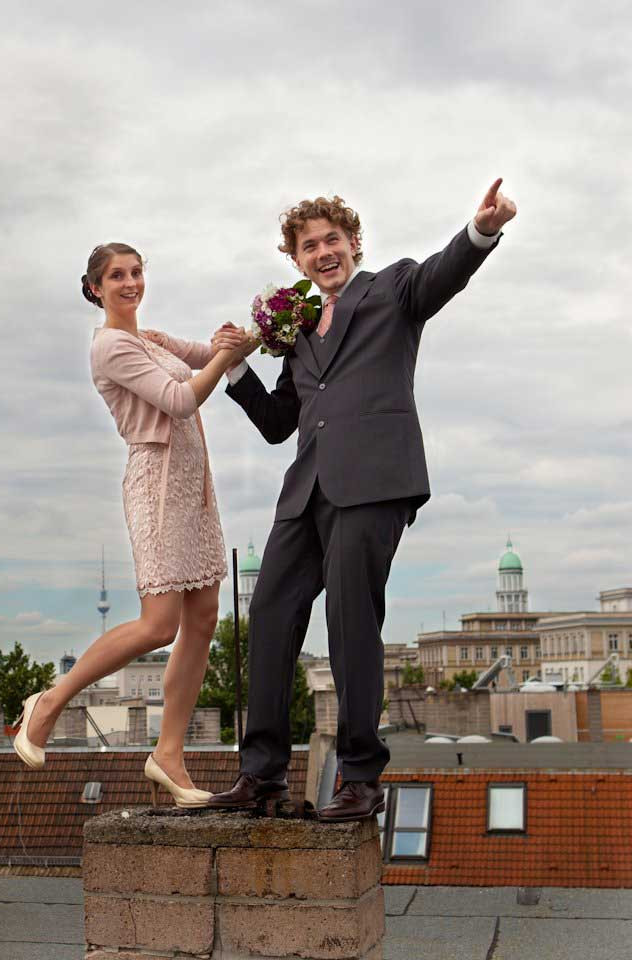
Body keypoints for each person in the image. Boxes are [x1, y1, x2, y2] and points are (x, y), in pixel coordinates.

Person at [208, 181, 517, 820]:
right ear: (295, 260)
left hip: (374, 484)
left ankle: (358, 778)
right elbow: (277, 422)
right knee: (268, 615)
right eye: (308, 245)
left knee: (350, 622)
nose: (323, 252)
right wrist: (237, 370)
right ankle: (260, 776)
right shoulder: (294, 331)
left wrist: (480, 230)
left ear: (353, 243)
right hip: (305, 492)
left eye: (332, 240)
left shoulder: (394, 290)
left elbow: (444, 274)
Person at [12, 242, 243, 808]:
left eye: (136, 272)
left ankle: (168, 754)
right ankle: (48, 701)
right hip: (156, 488)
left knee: (205, 617)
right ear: (95, 288)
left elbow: (214, 352)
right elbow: (180, 397)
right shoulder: (110, 347)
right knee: (159, 625)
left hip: (193, 487)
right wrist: (224, 356)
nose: (130, 282)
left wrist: (257, 330)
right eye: (117, 275)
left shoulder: (150, 338)